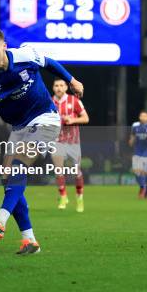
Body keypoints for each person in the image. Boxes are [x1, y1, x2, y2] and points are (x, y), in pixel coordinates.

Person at [0, 27, 83, 255]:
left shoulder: (24, 55)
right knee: (7, 180)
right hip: (18, 128)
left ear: (3, 46)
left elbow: (49, 62)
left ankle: (0, 219)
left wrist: (72, 80)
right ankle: (30, 241)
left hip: (45, 118)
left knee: (19, 164)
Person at [51, 78, 89, 212]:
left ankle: (79, 199)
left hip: (73, 142)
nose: (59, 88)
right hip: (56, 141)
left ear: (66, 87)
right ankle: (63, 196)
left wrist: (73, 119)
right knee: (58, 170)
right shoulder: (49, 102)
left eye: (61, 85)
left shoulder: (74, 101)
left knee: (76, 172)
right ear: (53, 87)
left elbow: (86, 118)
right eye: (56, 85)